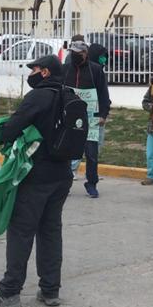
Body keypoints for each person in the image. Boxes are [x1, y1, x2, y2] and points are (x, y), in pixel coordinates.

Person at [0, 54, 74, 307]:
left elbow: (10, 130)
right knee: (51, 231)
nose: (30, 72)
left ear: (44, 73)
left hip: (35, 176)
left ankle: (9, 293)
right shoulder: (70, 95)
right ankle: (50, 289)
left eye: (34, 69)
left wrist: (3, 128)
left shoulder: (38, 97)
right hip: (62, 175)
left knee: (21, 232)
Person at [62, 38, 111, 198]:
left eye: (78, 53)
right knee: (66, 152)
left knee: (91, 153)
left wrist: (103, 114)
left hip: (91, 118)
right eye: (72, 53)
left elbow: (103, 94)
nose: (75, 56)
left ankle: (91, 183)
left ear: (85, 53)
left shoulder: (96, 70)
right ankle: (64, 183)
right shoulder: (65, 69)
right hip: (68, 117)